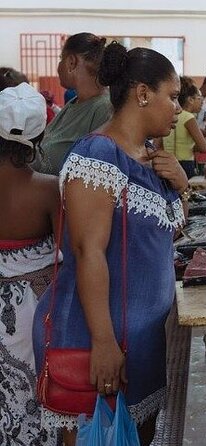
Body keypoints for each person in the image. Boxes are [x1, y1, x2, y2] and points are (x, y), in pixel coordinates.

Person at [33, 41, 188, 445]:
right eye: (171, 96)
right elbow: (88, 251)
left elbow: (162, 236)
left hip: (140, 338)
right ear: (142, 93)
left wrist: (182, 187)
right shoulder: (98, 156)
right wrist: (102, 342)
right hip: (96, 337)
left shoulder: (150, 158)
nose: (178, 108)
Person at [0, 83, 59, 446]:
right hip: (32, 315)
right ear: (40, 135)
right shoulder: (50, 188)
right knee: (32, 397)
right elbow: (69, 252)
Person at [32, 32, 113, 176]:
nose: (59, 66)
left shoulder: (104, 109)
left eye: (60, 59)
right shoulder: (73, 103)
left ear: (71, 62)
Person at [156, 76, 206, 178]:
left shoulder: (170, 116)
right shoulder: (189, 117)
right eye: (199, 99)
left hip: (167, 163)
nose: (202, 102)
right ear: (190, 99)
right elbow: (203, 147)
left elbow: (157, 144)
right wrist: (192, 147)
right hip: (185, 164)